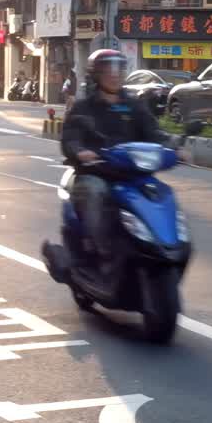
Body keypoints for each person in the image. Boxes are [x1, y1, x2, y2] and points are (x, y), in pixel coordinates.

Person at [61, 50, 178, 271]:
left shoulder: (134, 106)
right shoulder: (83, 108)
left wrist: (173, 147)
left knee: (161, 193)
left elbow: (154, 132)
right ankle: (98, 250)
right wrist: (80, 151)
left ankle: (163, 247)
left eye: (118, 70)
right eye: (107, 70)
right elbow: (70, 138)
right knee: (95, 192)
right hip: (96, 174)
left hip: (132, 176)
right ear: (96, 74)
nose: (114, 75)